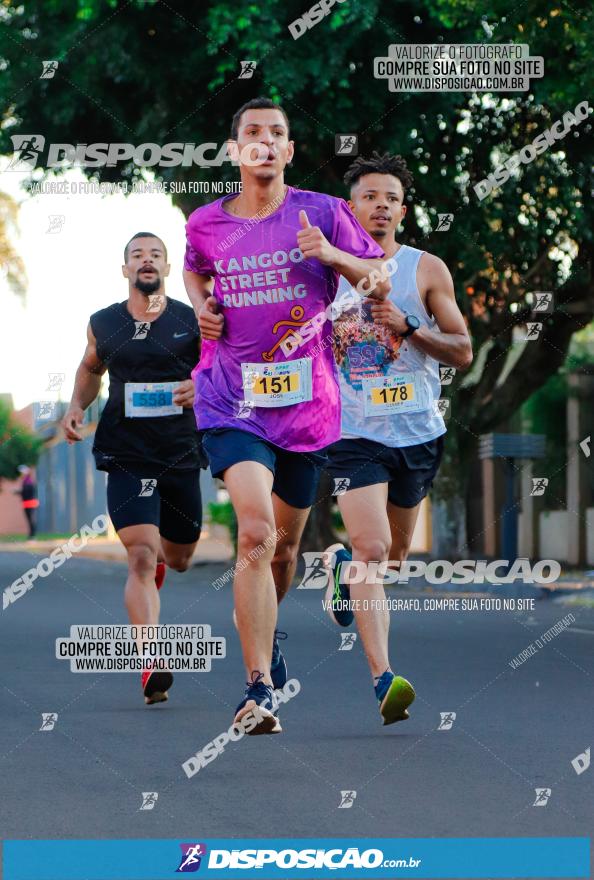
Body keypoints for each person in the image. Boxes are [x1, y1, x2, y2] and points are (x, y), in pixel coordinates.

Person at [183, 97, 390, 735]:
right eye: (252, 133)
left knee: (284, 549)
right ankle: (258, 689)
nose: (265, 142)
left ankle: (269, 641)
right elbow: (195, 273)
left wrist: (332, 256)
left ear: (291, 150)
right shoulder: (206, 223)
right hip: (230, 399)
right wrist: (201, 308)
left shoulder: (323, 212)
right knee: (253, 531)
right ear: (235, 150)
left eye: (277, 133)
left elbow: (378, 278)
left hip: (306, 408)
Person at [324, 152, 473, 725]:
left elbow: (462, 349)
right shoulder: (324, 274)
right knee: (372, 548)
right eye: (369, 196)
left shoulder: (425, 269)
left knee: (393, 557)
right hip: (351, 432)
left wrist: (410, 327)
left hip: (417, 431)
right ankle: (384, 678)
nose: (380, 205)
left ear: (402, 211)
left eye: (390, 198)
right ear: (351, 206)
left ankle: (341, 566)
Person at [62, 233, 203, 705]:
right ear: (125, 270)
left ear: (166, 266)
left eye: (155, 255)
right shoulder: (104, 322)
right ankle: (149, 659)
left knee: (178, 558)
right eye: (137, 256)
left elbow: (220, 369)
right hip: (126, 452)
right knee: (141, 555)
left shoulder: (191, 320)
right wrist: (76, 408)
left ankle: (162, 565)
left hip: (181, 452)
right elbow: (90, 368)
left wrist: (198, 388)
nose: (147, 261)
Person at [16, 465, 38, 539]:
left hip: (30, 503)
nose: (21, 474)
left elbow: (27, 491)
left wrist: (20, 491)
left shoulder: (28, 481)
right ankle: (31, 534)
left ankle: (33, 535)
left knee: (31, 519)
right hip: (26, 503)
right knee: (29, 519)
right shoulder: (25, 480)